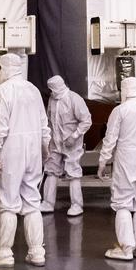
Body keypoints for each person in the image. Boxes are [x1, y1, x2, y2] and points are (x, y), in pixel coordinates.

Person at [0, 52, 50, 268]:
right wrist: (44, 149)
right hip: (34, 150)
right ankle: (37, 252)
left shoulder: (3, 91)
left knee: (8, 202)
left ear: (5, 68)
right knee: (32, 200)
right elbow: (43, 123)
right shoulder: (33, 90)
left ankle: (5, 254)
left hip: (12, 150)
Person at [97, 75, 136, 261]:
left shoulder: (120, 111)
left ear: (124, 91)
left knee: (122, 203)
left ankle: (126, 248)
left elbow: (110, 139)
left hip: (126, 161)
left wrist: (102, 162)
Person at [41, 75, 92, 217]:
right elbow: (50, 121)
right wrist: (48, 141)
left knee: (73, 172)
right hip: (55, 143)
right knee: (50, 171)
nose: (51, 92)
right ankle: (48, 203)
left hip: (72, 144)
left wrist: (74, 136)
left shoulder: (74, 99)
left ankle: (77, 205)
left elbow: (86, 121)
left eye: (52, 89)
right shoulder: (52, 100)